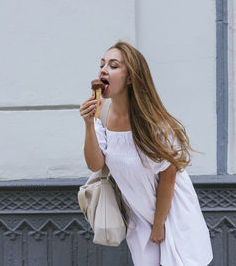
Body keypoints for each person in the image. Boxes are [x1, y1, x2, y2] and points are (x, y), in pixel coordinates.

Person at [79, 41, 213, 266]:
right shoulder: (100, 114)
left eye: (113, 66)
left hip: (172, 212)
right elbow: (95, 164)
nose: (103, 70)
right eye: (102, 65)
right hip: (138, 215)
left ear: (131, 78)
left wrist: (159, 223)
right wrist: (88, 124)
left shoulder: (152, 121)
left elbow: (169, 173)